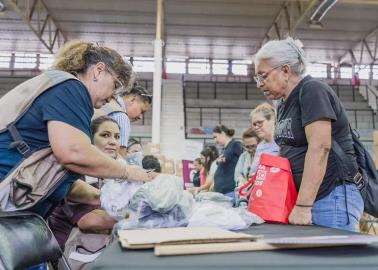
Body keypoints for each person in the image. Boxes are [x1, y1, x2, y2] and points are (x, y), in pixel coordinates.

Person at [0, 40, 154, 218]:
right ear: (98, 70)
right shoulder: (71, 88)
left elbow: (59, 181)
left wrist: (104, 198)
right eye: (116, 85)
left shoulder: (58, 87)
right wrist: (130, 173)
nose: (113, 97)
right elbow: (73, 153)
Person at [254, 36, 363, 231]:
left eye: (263, 76)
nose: (259, 83)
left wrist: (303, 205)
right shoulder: (283, 104)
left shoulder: (312, 90)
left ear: (285, 70)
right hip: (309, 200)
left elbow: (320, 147)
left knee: (329, 259)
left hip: (330, 197)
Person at [49, 116, 121, 249]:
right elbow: (89, 221)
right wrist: (135, 216)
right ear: (90, 139)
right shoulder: (74, 173)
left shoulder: (108, 174)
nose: (113, 142)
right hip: (67, 252)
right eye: (105, 135)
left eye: (117, 137)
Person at [94, 83, 152, 158]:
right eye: (142, 111)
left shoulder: (108, 104)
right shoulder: (121, 116)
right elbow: (120, 154)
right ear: (133, 100)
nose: (140, 117)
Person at [213, 125, 243, 202]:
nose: (215, 140)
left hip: (230, 191)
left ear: (222, 133)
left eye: (215, 137)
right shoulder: (224, 150)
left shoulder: (235, 145)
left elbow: (243, 161)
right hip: (221, 192)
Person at [249, 102, 280, 174]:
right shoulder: (260, 146)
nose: (256, 127)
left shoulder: (281, 143)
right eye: (254, 124)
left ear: (272, 120)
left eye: (260, 122)